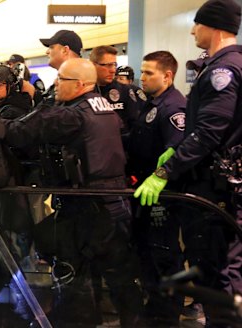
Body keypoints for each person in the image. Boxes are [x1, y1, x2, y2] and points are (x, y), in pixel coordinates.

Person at [4, 58, 142, 326]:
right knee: (120, 278)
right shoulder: (104, 108)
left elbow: (20, 133)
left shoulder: (73, 114)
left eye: (61, 79)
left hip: (87, 205)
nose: (56, 83)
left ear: (79, 84)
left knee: (75, 275)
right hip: (113, 202)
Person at [134, 1, 242, 323]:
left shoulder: (223, 70)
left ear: (214, 27)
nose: (193, 30)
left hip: (217, 193)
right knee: (213, 272)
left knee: (218, 276)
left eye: (197, 24)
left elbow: (209, 132)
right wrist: (178, 147)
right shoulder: (222, 65)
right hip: (216, 187)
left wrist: (165, 171)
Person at [128, 51, 187, 326]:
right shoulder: (150, 103)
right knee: (146, 252)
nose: (143, 77)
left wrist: (160, 176)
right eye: (142, 72)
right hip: (143, 190)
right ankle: (154, 308)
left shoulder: (173, 108)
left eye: (149, 73)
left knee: (163, 253)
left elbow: (177, 150)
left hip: (162, 193)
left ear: (167, 75)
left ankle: (166, 316)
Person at [90, 45, 146, 143]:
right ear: (93, 65)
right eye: (107, 65)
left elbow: (135, 124)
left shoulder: (125, 91)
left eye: (114, 64)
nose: (113, 70)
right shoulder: (86, 91)